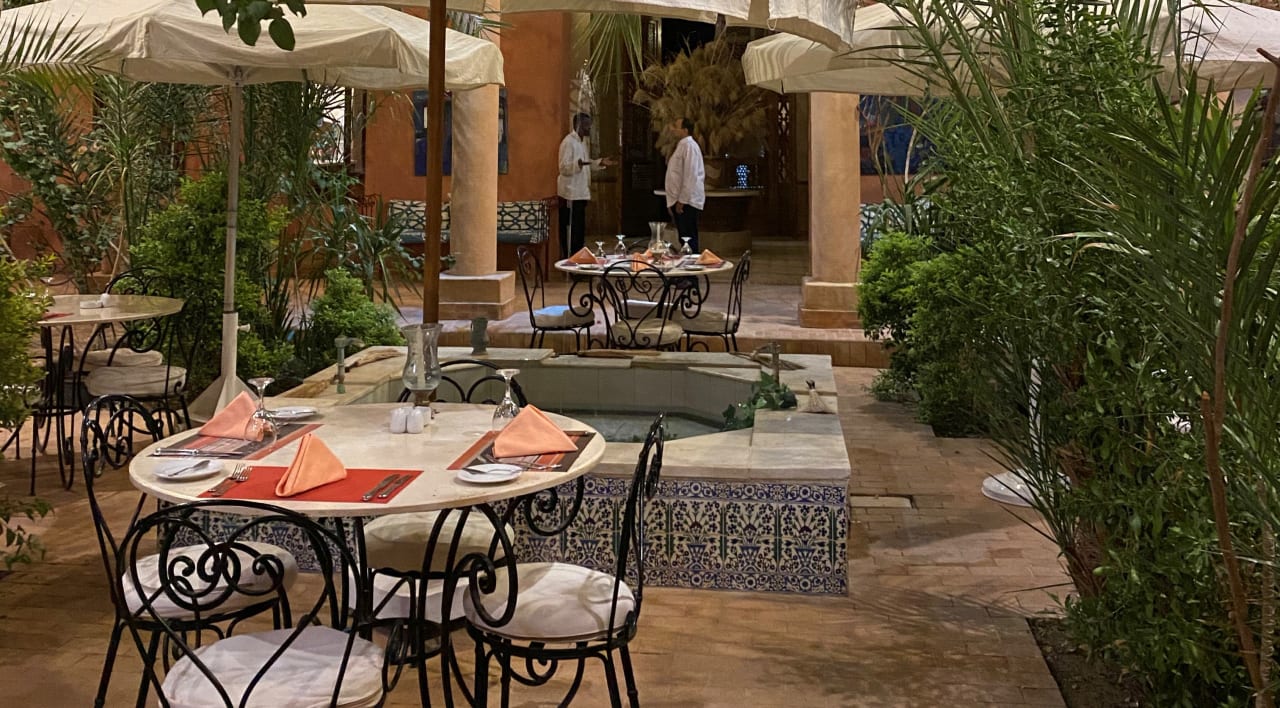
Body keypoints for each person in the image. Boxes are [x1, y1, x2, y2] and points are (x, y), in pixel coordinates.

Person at [557, 113, 615, 259]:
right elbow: (563, 168)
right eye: (586, 125)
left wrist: (600, 162)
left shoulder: (582, 143)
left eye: (590, 125)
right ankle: (570, 261)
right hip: (570, 195)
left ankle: (579, 260)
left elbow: (585, 163)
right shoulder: (568, 142)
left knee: (579, 232)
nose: (589, 128)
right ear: (578, 125)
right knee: (571, 232)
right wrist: (578, 164)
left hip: (581, 193)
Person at [664, 117, 706, 253]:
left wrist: (682, 200)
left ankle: (691, 265)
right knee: (683, 238)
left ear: (685, 130)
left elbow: (690, 175)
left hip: (687, 201)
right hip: (679, 199)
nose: (673, 129)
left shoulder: (689, 146)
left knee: (688, 238)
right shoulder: (681, 145)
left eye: (676, 127)